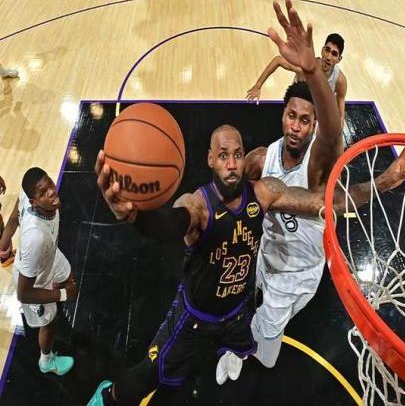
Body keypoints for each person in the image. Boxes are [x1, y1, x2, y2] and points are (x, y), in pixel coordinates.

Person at [217, 0, 405, 376]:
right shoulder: (261, 159)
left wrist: (385, 181)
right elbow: (236, 201)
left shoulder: (319, 167)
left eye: (306, 120)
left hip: (298, 274)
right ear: (283, 116)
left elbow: (337, 179)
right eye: (292, 116)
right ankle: (242, 339)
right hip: (266, 255)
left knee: (267, 351)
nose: (297, 126)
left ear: (314, 126)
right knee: (245, 296)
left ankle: (245, 353)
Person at [87, 123, 336, 405]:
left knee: (220, 359)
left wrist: (374, 185)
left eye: (237, 155)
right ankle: (108, 397)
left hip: (235, 313)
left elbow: (321, 202)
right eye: (223, 155)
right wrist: (136, 217)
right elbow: (172, 223)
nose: (231, 164)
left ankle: (227, 358)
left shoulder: (263, 193)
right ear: (210, 159)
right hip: (195, 319)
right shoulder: (199, 205)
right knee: (150, 373)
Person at [13, 167, 77, 375]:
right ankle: (46, 361)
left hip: (48, 255)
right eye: (43, 193)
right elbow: (24, 293)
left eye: (49, 183)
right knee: (50, 322)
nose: (51, 192)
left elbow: (15, 214)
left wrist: (4, 244)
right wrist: (62, 294)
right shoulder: (36, 238)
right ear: (34, 202)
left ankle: (54, 302)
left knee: (69, 278)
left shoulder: (27, 196)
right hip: (33, 279)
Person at [246, 33, 347, 122]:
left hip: (315, 112)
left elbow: (340, 103)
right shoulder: (305, 67)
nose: (328, 57)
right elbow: (278, 60)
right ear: (322, 50)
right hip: (296, 106)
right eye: (327, 50)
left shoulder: (340, 80)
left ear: (339, 59)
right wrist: (258, 86)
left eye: (334, 54)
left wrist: (340, 121)